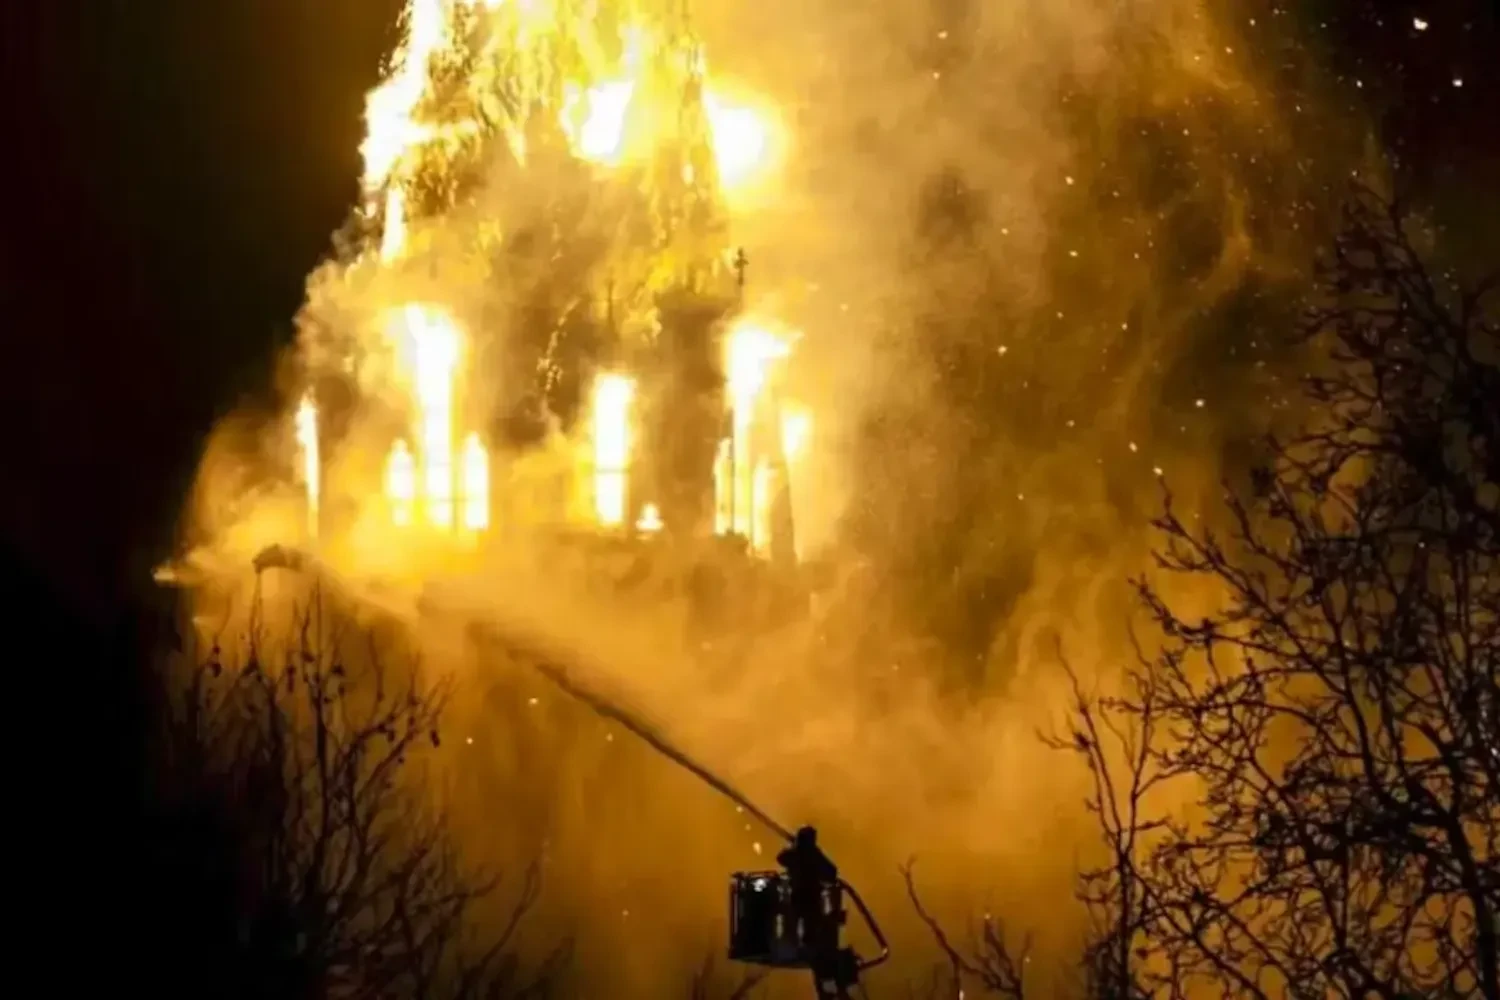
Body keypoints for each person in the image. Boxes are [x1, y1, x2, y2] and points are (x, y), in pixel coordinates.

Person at [777, 826, 839, 964]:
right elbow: (832, 871)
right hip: (811, 896)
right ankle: (807, 949)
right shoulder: (814, 854)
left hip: (799, 894)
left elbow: (781, 858)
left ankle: (791, 949)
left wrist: (792, 846)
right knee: (810, 925)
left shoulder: (796, 854)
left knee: (794, 923)